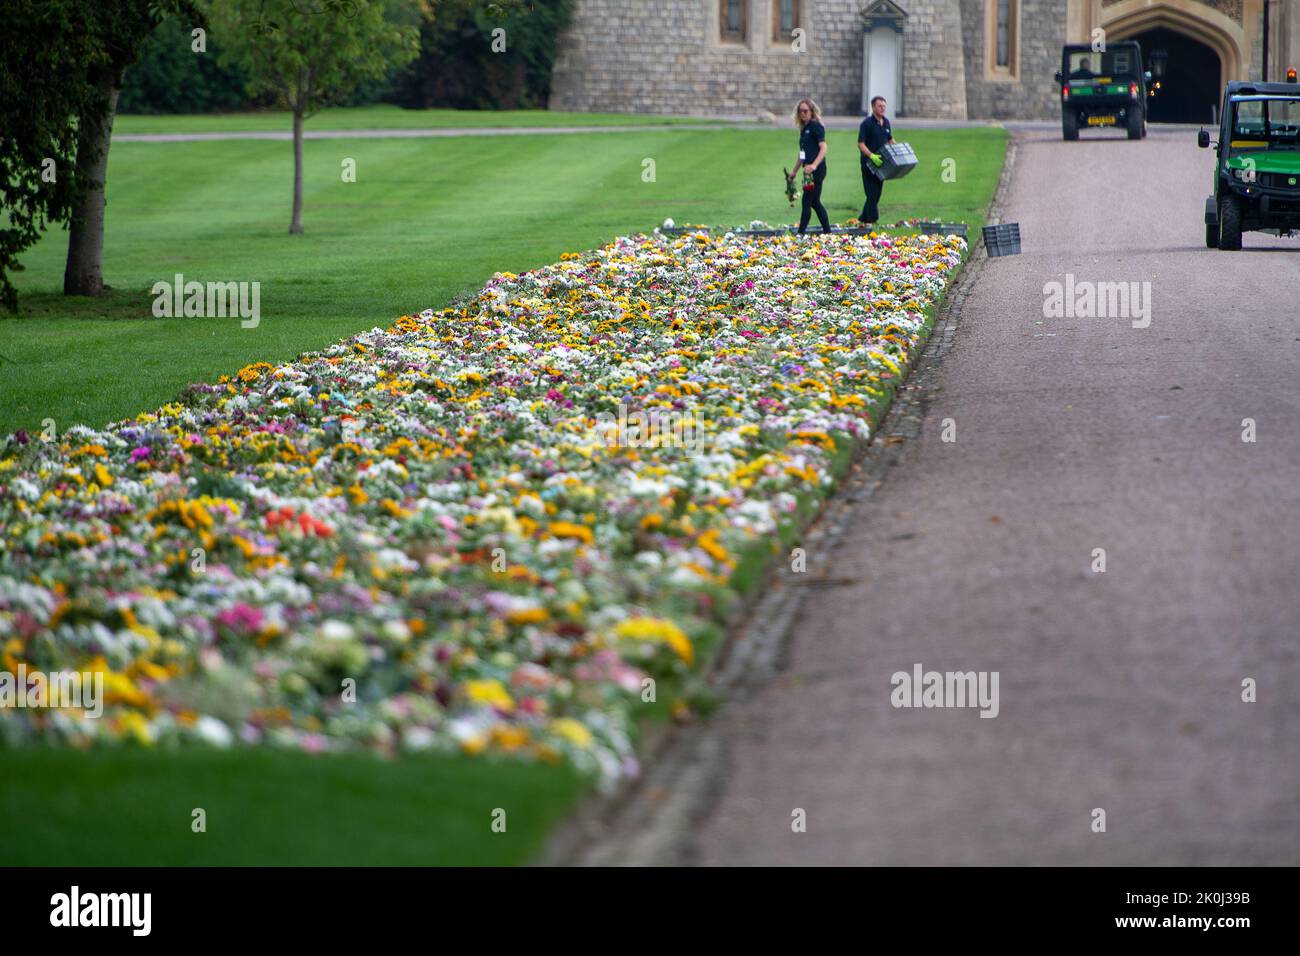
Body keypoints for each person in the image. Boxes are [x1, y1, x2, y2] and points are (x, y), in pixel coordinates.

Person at [791, 98, 831, 235]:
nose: (803, 113)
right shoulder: (804, 129)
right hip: (808, 171)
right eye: (800, 111)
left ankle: (801, 233)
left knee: (807, 200)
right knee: (814, 202)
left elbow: (824, 147)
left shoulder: (815, 126)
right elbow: (802, 154)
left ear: (812, 111)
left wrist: (814, 165)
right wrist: (794, 171)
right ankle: (827, 231)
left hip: (817, 170)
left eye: (805, 111)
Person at [857, 95, 895, 225]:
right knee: (871, 193)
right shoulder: (866, 124)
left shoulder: (886, 122)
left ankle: (863, 218)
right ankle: (873, 221)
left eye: (884, 106)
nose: (882, 108)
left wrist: (898, 150)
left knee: (877, 193)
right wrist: (871, 155)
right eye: (880, 106)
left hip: (882, 163)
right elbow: (861, 143)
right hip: (869, 163)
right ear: (873, 107)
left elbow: (889, 139)